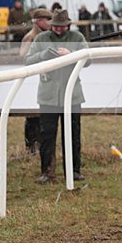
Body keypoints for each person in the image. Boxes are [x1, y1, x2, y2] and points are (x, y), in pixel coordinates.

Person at [24, 9, 88, 183]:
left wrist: (72, 55)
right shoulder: (41, 39)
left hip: (72, 95)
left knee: (73, 135)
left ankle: (73, 170)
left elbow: (88, 60)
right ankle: (46, 171)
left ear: (68, 25)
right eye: (56, 26)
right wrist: (44, 55)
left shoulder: (77, 38)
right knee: (47, 136)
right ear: (51, 25)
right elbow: (28, 60)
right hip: (48, 96)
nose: (59, 29)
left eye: (62, 26)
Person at [19, 7, 53, 156]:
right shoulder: (30, 37)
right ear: (39, 21)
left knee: (41, 117)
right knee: (32, 117)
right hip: (32, 80)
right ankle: (31, 147)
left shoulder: (47, 36)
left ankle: (39, 146)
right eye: (48, 20)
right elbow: (23, 56)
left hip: (44, 79)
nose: (51, 23)